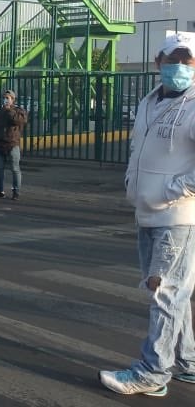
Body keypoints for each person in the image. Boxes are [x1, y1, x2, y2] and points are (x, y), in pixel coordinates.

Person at [99, 34, 195, 397]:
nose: (180, 67)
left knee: (165, 293)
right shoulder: (149, 101)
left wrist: (175, 189)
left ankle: (153, 373)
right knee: (173, 294)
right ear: (158, 61)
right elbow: (139, 147)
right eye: (174, 59)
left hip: (178, 216)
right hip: (147, 211)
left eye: (188, 61)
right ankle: (187, 362)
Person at [0, 88, 27, 200]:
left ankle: (16, 192)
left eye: (7, 98)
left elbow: (19, 122)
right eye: (4, 98)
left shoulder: (19, 111)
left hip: (12, 144)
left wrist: (10, 110)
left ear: (13, 99)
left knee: (15, 169)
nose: (5, 100)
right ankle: (0, 191)